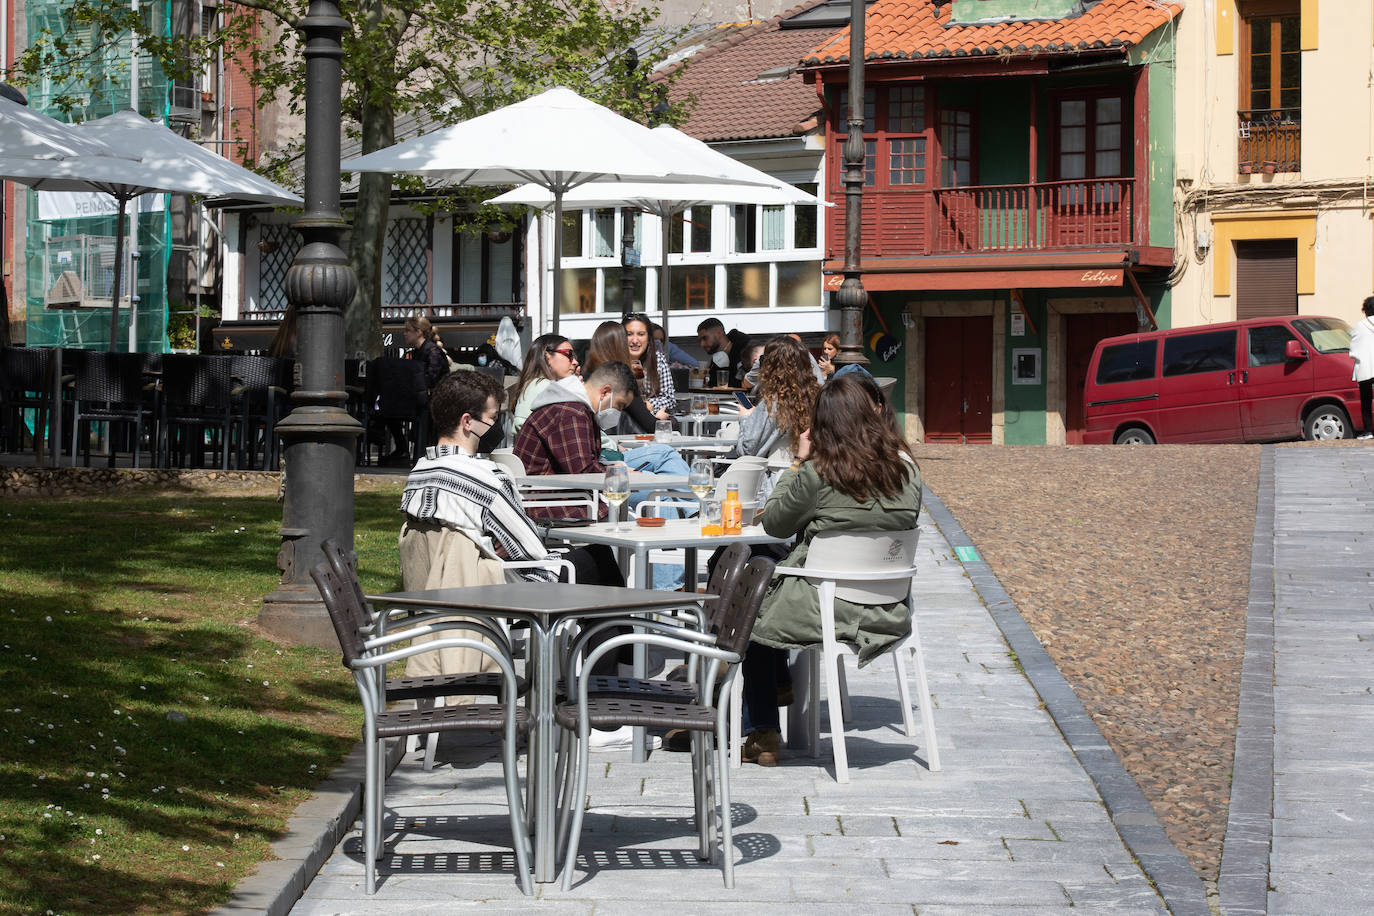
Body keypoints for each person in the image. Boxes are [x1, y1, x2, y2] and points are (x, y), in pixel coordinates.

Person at [739, 372, 922, 767]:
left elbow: (774, 523)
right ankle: (778, 684)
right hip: (889, 608)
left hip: (825, 605)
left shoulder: (819, 472)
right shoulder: (909, 471)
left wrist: (800, 460)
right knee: (769, 572)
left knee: (753, 586)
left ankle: (762, 730)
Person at [398, 371, 622, 692]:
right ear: (467, 422)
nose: (497, 426)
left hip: (435, 594)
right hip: (492, 593)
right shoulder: (486, 476)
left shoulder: (419, 473)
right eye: (492, 417)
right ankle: (605, 699)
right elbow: (531, 554)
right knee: (597, 565)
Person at [512, 360, 638, 520]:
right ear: (605, 392)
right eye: (619, 405)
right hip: (550, 503)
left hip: (546, 497)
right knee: (630, 521)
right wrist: (618, 474)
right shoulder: (572, 414)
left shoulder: (569, 408)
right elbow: (582, 473)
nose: (618, 412)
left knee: (627, 515)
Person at [728, 335, 821, 501]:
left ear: (771, 366)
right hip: (814, 480)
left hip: (779, 483)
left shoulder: (775, 401)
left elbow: (748, 450)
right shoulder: (818, 396)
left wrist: (745, 418)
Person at [583, 320, 663, 434]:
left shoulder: (586, 378)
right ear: (621, 347)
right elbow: (649, 424)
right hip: (622, 445)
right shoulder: (621, 381)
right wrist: (668, 422)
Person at [509, 333, 581, 438]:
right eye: (569, 354)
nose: (575, 362)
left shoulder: (535, 384)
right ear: (548, 357)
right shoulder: (543, 386)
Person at [623, 313, 676, 419]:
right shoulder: (614, 360)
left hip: (648, 423)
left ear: (648, 338)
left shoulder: (657, 359)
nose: (635, 340)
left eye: (641, 334)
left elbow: (670, 399)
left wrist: (649, 404)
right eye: (629, 334)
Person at [697, 317, 752, 387]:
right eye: (700, 341)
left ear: (719, 333)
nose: (702, 344)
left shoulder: (748, 350)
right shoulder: (715, 362)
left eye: (705, 338)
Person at [403, 315, 451, 389]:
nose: (404, 333)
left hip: (438, 398)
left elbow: (430, 380)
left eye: (407, 330)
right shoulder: (417, 351)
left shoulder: (433, 352)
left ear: (418, 332)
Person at [1352, 297, 1374, 440]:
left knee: (1366, 400)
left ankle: (1368, 431)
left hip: (1366, 368)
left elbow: (1354, 347)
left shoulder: (1360, 325)